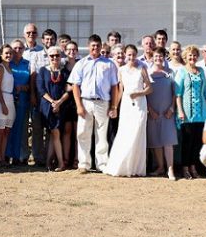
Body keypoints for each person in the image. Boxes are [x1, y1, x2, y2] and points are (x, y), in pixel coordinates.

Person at [69, 34, 119, 173]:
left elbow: (114, 86)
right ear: (88, 46)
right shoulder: (81, 63)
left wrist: (113, 106)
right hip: (86, 102)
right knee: (83, 133)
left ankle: (102, 164)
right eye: (93, 46)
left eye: (97, 45)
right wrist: (79, 105)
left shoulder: (109, 64)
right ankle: (84, 164)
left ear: (101, 46)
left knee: (102, 134)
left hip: (103, 103)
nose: (95, 48)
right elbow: (75, 86)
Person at [105, 45, 153, 177]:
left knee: (137, 133)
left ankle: (135, 167)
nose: (131, 57)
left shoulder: (142, 68)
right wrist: (114, 107)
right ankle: (123, 166)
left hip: (140, 104)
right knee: (125, 133)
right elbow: (120, 90)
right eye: (129, 55)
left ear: (137, 55)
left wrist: (138, 93)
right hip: (126, 105)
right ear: (125, 55)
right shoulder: (121, 70)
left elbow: (150, 88)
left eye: (133, 55)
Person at [175, 45, 206, 179]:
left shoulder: (201, 71)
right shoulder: (182, 71)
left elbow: (205, 93)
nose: (192, 57)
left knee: (197, 142)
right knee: (187, 142)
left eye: (195, 55)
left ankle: (193, 167)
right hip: (187, 113)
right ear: (185, 57)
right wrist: (180, 111)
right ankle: (185, 168)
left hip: (201, 113)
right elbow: (178, 94)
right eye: (190, 55)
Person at [36, 46, 71, 171]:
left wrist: (59, 102)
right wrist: (52, 102)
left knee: (54, 133)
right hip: (47, 106)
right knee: (54, 132)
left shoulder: (65, 72)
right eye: (52, 56)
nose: (55, 58)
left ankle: (50, 162)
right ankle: (58, 162)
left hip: (61, 106)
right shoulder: (42, 71)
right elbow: (41, 89)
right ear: (48, 57)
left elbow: (69, 90)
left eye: (57, 55)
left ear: (60, 56)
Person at [146, 47, 178, 180]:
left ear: (164, 57)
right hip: (153, 111)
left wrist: (171, 108)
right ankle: (160, 167)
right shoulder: (147, 72)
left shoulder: (170, 72)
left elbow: (175, 92)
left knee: (168, 140)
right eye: (156, 56)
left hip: (167, 112)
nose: (158, 58)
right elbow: (145, 94)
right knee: (156, 140)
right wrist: (150, 110)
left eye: (160, 56)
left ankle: (170, 169)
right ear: (152, 57)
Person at [28, 29, 57, 167]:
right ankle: (38, 157)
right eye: (47, 39)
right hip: (39, 98)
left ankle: (48, 157)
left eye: (51, 39)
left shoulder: (59, 55)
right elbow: (33, 76)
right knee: (37, 128)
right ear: (42, 40)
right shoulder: (36, 55)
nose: (49, 41)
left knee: (51, 129)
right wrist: (33, 94)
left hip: (53, 98)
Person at [7, 39, 32, 166]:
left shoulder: (27, 64)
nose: (17, 50)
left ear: (24, 49)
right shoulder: (7, 63)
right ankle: (6, 155)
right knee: (7, 128)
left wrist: (24, 87)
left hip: (22, 100)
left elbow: (31, 82)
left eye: (20, 48)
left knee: (19, 129)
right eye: (15, 48)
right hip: (8, 99)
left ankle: (17, 156)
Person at [62, 41, 80, 168]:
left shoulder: (81, 66)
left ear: (77, 51)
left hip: (78, 102)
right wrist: (73, 86)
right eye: (69, 49)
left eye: (74, 49)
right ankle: (66, 159)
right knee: (67, 131)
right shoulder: (62, 67)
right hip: (66, 103)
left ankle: (77, 159)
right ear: (65, 51)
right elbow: (62, 86)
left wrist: (72, 87)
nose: (71, 52)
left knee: (78, 133)